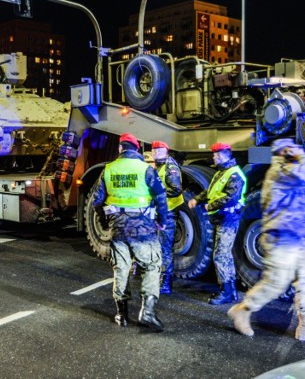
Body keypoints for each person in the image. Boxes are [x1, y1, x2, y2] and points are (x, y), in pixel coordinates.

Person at [227, 138, 305, 342]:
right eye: (291, 148)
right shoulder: (282, 172)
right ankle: (242, 309)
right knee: (276, 283)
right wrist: (302, 156)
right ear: (283, 152)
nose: (297, 151)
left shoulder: (287, 170)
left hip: (296, 235)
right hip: (281, 237)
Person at [92, 133, 169, 331]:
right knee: (151, 266)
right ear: (137, 149)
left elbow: (96, 201)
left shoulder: (109, 170)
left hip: (118, 229)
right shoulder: (146, 169)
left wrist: (105, 220)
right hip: (144, 230)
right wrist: (162, 221)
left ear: (120, 149)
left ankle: (122, 314)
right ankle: (147, 313)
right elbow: (161, 198)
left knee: (121, 269)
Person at [188, 142, 246, 305]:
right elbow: (211, 192)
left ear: (221, 156)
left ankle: (226, 292)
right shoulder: (222, 173)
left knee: (221, 256)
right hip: (221, 219)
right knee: (224, 256)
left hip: (228, 220)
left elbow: (230, 197)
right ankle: (230, 291)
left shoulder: (234, 174)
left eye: (215, 155)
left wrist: (209, 206)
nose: (213, 157)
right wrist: (197, 199)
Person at [151, 141, 184, 294]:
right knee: (160, 246)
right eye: (154, 150)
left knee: (164, 248)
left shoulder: (170, 167)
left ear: (166, 151)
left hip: (169, 212)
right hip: (162, 211)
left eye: (159, 150)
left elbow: (176, 190)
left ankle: (166, 282)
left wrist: (158, 195)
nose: (156, 153)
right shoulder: (159, 166)